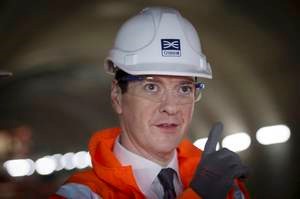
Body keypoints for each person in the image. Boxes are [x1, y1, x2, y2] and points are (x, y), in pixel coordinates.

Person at [50, 6, 250, 199]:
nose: (171, 107)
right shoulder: (82, 195)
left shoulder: (223, 186)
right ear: (117, 95)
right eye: (152, 87)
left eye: (184, 89)